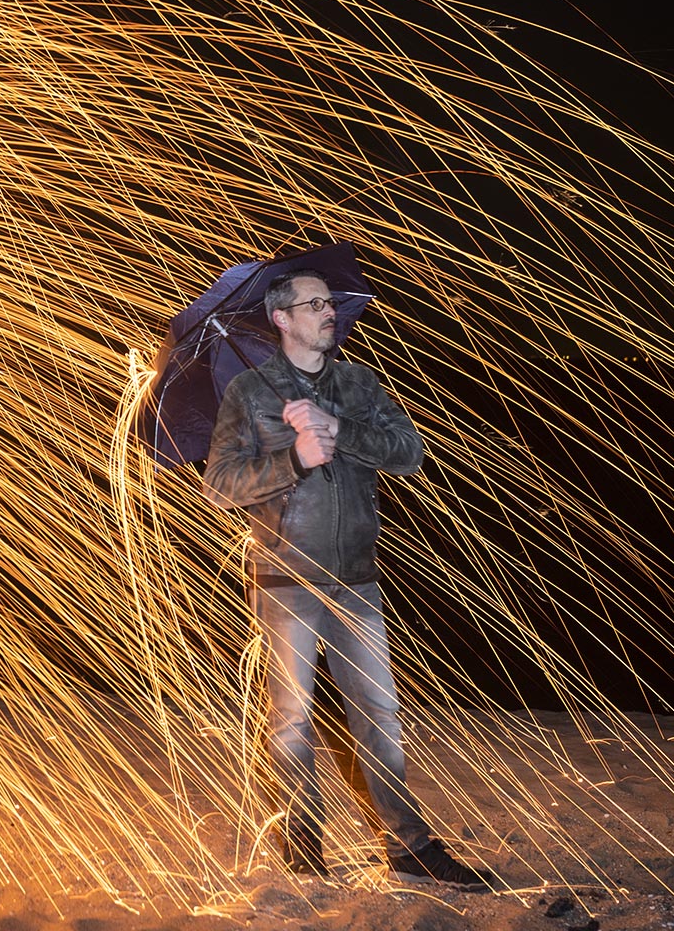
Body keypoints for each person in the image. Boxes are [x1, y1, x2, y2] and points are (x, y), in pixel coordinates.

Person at [202, 267, 492, 890]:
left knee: (381, 714)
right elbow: (221, 486)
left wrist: (341, 431)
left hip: (358, 577)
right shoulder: (249, 394)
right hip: (285, 580)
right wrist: (295, 459)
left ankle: (410, 847)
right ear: (282, 319)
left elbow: (409, 454)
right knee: (290, 720)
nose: (328, 312)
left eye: (329, 302)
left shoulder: (358, 384)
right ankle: (304, 845)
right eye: (313, 305)